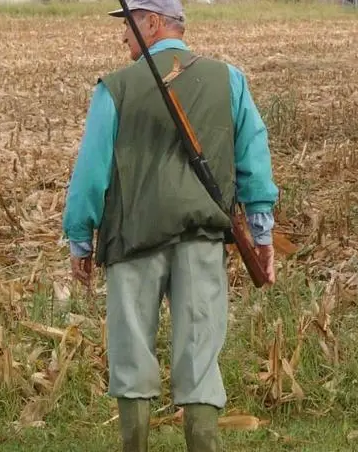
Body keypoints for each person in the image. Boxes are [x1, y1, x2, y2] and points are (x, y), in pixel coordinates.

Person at [61, 1, 279, 451]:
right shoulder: (230, 79)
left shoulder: (115, 88)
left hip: (133, 239)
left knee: (132, 356)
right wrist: (262, 235)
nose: (123, 36)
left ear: (154, 24)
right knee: (200, 360)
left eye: (129, 25)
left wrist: (80, 239)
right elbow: (254, 162)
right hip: (201, 239)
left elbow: (90, 173)